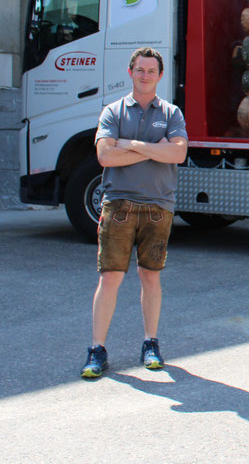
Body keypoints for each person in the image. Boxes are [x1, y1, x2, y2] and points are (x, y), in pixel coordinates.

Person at [81, 47, 188, 378]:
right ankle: (97, 350)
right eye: (140, 70)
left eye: (151, 71)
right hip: (118, 205)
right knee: (110, 277)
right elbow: (105, 157)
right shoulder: (113, 112)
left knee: (150, 276)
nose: (145, 75)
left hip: (158, 206)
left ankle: (150, 344)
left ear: (160, 75)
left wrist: (131, 144)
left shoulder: (171, 113)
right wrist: (156, 149)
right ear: (130, 72)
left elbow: (178, 154)